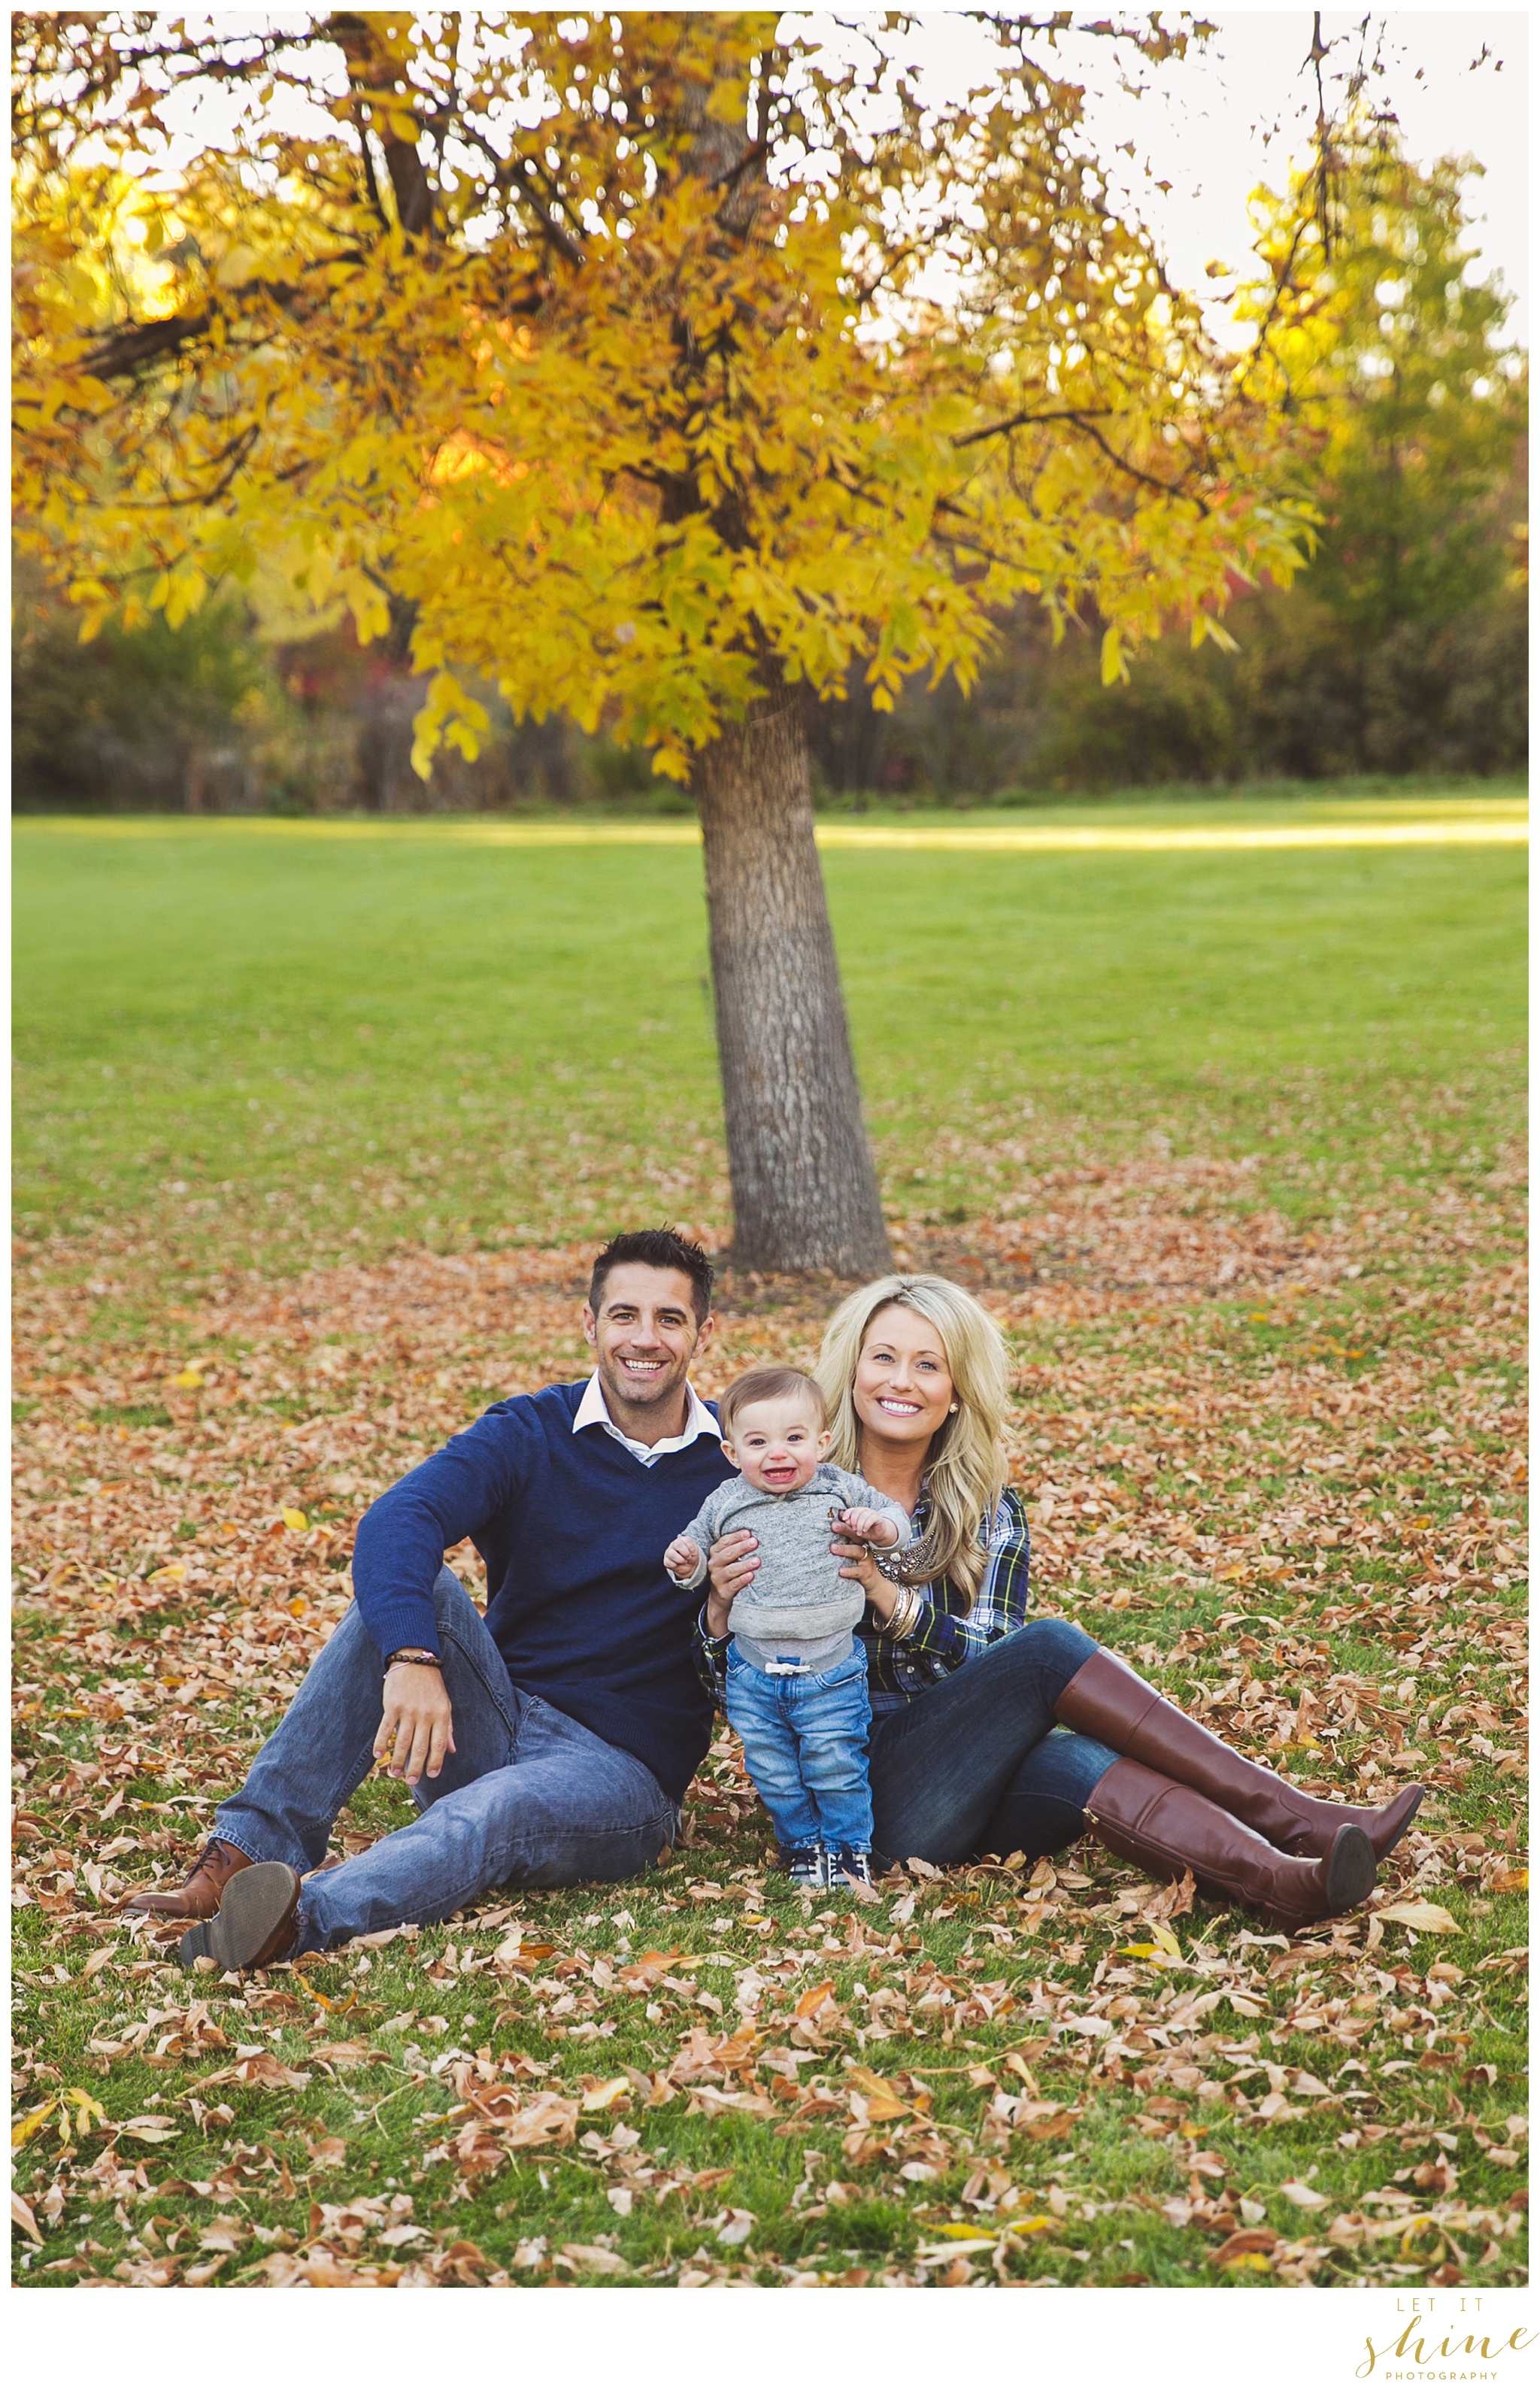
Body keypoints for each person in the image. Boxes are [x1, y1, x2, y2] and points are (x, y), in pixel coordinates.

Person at [695, 1274, 1424, 1934]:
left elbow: (999, 1673)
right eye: (882, 1356)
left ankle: (1285, 1882)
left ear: (956, 1388)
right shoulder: (786, 1493)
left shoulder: (985, 1510)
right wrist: (719, 1616)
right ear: (850, 1369)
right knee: (1048, 1648)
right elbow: (730, 1691)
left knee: (1079, 1754)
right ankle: (1295, 1816)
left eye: (928, 1362)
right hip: (855, 1793)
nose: (901, 1380)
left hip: (967, 1784)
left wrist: (892, 1600)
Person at [123, 1228, 737, 1972]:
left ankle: (296, 1918)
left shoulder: (737, 1466)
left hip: (618, 1772)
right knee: (420, 1587)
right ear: (589, 1324)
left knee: (495, 1809)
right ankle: (245, 1852)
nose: (645, 1338)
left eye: (669, 1319)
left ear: (702, 1332)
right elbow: (399, 1518)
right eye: (624, 1315)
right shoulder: (530, 1429)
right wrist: (411, 1654)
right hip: (498, 1714)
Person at [665, 1364, 911, 1892]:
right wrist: (686, 1564)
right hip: (753, 1673)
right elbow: (695, 1557)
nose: (778, 1453)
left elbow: (895, 1522)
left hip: (829, 1671)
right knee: (774, 1769)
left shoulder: (840, 1490)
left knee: (835, 1762)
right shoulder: (725, 1502)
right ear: (732, 1453)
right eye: (758, 1441)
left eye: (794, 1438)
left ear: (821, 1443)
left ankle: (848, 1853)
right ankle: (802, 1845)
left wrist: (880, 1527)